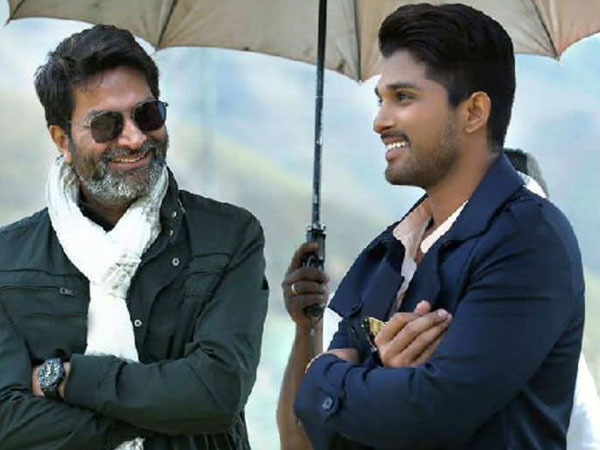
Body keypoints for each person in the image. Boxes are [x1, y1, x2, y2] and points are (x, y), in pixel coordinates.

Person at [278, 4, 584, 449]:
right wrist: (378, 377)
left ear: (474, 111)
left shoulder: (530, 241)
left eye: (403, 97)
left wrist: (328, 376)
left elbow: (430, 414)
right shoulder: (389, 250)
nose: (380, 121)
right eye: (380, 99)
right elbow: (311, 427)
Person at [0, 25, 268, 450]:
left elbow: (218, 393)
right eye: (106, 124)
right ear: (62, 140)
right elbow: (8, 421)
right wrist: (163, 416)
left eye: (147, 114)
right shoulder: (7, 259)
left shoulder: (230, 237)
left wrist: (65, 378)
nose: (135, 137)